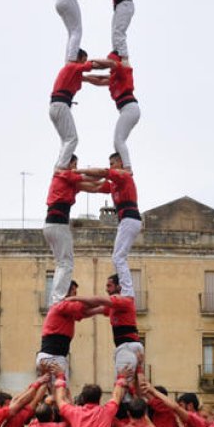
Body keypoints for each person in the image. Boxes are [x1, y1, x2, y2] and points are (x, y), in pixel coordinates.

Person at [43, 156, 105, 305]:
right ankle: (58, 299)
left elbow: (92, 186)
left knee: (61, 263)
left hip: (51, 225)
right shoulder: (63, 174)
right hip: (58, 224)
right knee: (67, 263)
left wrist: (107, 185)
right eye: (74, 164)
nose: (76, 167)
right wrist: (111, 177)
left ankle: (56, 298)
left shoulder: (70, 181)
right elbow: (89, 178)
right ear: (68, 164)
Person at [80, 154, 141, 298]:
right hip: (126, 221)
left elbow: (102, 172)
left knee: (118, 257)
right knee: (118, 257)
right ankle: (125, 289)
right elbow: (95, 186)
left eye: (112, 163)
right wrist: (75, 185)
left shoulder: (123, 176)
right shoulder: (114, 184)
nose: (111, 166)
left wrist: (77, 172)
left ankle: (127, 291)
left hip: (130, 219)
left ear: (120, 163)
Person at [67, 275, 143, 383]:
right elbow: (93, 311)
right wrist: (74, 313)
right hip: (127, 346)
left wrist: (74, 298)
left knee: (122, 384)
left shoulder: (122, 300)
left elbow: (98, 300)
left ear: (118, 287)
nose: (106, 289)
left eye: (109, 286)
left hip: (127, 346)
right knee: (131, 386)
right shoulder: (113, 306)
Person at [37, 280, 105, 378]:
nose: (76, 294)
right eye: (73, 291)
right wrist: (108, 302)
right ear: (66, 291)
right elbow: (89, 305)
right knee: (61, 390)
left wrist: (103, 309)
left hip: (52, 356)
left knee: (52, 390)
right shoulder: (63, 305)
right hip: (53, 357)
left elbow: (85, 313)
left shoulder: (66, 310)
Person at [83, 54, 138, 170]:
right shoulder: (113, 77)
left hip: (130, 108)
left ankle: (127, 168)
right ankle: (121, 165)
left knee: (119, 140)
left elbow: (111, 64)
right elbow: (99, 80)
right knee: (117, 143)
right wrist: (84, 78)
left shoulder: (121, 70)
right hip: (127, 109)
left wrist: (89, 62)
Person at [50, 53, 103, 170]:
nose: (85, 63)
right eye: (83, 60)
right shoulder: (72, 67)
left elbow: (93, 79)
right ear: (78, 59)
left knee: (66, 141)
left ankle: (61, 164)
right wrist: (113, 65)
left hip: (57, 106)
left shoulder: (74, 73)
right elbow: (93, 66)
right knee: (72, 139)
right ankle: (61, 167)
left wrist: (110, 80)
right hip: (60, 105)